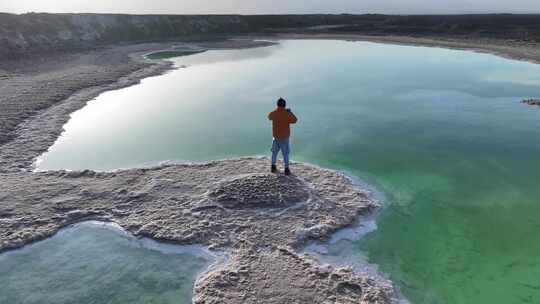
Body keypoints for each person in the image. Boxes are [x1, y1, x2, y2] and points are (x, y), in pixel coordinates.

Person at [267, 97, 298, 175]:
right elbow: (295, 120)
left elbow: (269, 116)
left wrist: (277, 110)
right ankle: (286, 169)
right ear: (284, 105)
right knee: (285, 154)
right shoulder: (287, 113)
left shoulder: (274, 113)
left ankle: (273, 167)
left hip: (276, 137)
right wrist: (290, 112)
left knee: (274, 153)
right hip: (284, 138)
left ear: (277, 105)